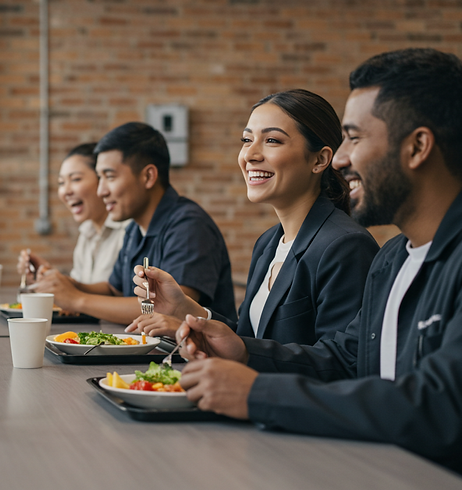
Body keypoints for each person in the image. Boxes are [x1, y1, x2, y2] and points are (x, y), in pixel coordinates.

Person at [146, 48, 462, 473]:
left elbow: (439, 405)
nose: (343, 158)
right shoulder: (392, 259)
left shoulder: (360, 246)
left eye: (355, 137)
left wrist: (257, 393)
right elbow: (344, 360)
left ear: (418, 146)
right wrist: (242, 350)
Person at [129, 90, 378, 344]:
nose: (249, 155)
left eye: (272, 141)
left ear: (320, 159)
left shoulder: (346, 246)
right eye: (247, 140)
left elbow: (339, 365)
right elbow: (249, 339)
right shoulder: (268, 243)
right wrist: (184, 309)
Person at [29, 123, 236, 326]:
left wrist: (76, 299)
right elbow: (114, 290)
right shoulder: (134, 228)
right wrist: (68, 285)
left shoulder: (189, 225)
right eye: (99, 178)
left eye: (109, 177)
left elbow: (173, 308)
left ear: (148, 176)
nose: (101, 191)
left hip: (189, 358)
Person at [18, 143, 131, 286]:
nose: (66, 191)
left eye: (76, 179)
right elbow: (80, 291)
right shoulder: (86, 232)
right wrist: (46, 273)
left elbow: (129, 299)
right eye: (61, 182)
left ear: (103, 180)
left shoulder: (130, 231)